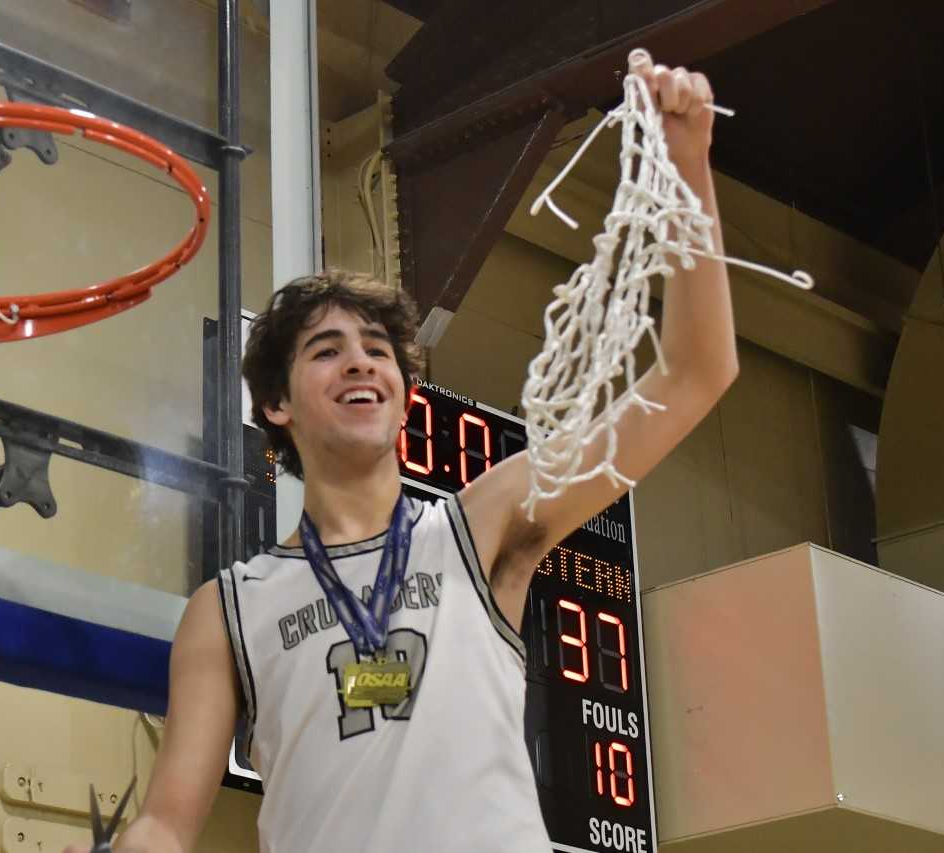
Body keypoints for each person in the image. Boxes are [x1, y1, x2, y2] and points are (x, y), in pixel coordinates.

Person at [66, 58, 734, 853]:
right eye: (326, 350)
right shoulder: (228, 608)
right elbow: (168, 824)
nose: (360, 362)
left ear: (403, 389)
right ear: (274, 404)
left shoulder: (479, 525)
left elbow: (696, 373)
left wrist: (689, 166)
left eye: (377, 350)